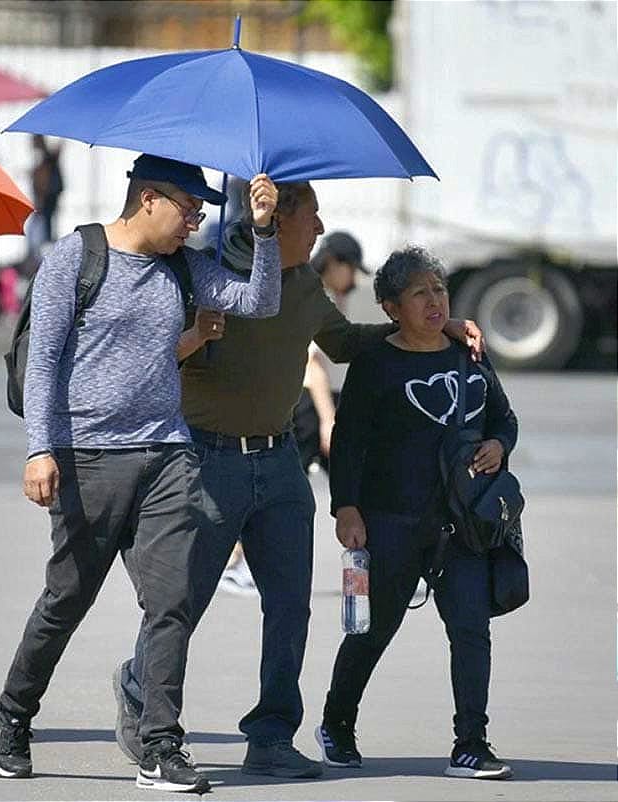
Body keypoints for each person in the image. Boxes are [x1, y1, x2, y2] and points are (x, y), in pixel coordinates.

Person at [116, 183, 483, 779]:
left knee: (289, 606)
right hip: (210, 462)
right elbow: (151, 356)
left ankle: (271, 735)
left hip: (281, 463)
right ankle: (143, 696)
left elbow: (346, 343)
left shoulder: (307, 283)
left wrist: (433, 325)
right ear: (274, 218)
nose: (319, 228)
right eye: (310, 216)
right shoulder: (207, 277)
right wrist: (196, 336)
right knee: (182, 604)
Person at [0, 155, 281, 794]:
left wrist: (262, 228)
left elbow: (259, 300)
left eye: (203, 211)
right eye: (189, 208)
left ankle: (160, 746)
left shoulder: (181, 265)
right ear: (149, 198)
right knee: (68, 599)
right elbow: (42, 364)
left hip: (169, 453)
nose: (195, 221)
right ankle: (12, 714)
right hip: (86, 455)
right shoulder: (76, 256)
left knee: (170, 600)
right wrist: (40, 450)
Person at [316, 246, 516, 780]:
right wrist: (347, 509)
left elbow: (504, 417)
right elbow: (349, 440)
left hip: (464, 524)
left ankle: (471, 742)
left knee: (471, 629)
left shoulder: (469, 353)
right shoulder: (377, 362)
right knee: (373, 630)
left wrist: (498, 444)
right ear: (390, 307)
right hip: (391, 521)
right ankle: (337, 721)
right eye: (420, 293)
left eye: (440, 290)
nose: (434, 301)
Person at [296, 231, 369, 472]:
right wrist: (328, 421)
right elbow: (313, 364)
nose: (354, 281)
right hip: (311, 403)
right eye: (351, 269)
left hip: (321, 401)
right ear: (334, 263)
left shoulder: (312, 290)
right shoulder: (318, 298)